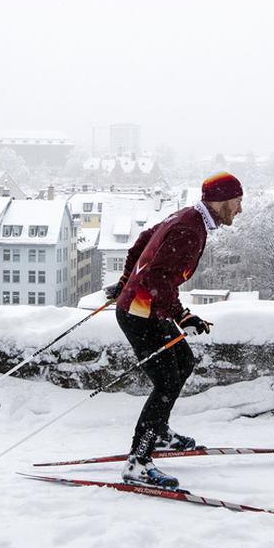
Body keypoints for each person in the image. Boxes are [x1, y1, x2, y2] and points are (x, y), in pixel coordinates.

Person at [103, 172, 244, 488]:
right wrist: (183, 316)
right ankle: (138, 461)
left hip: (146, 309)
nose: (240, 209)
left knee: (183, 363)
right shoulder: (189, 230)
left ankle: (161, 433)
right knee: (166, 381)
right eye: (237, 201)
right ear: (220, 200)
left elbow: (143, 241)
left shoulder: (189, 217)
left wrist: (125, 281)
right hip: (140, 314)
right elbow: (159, 278)